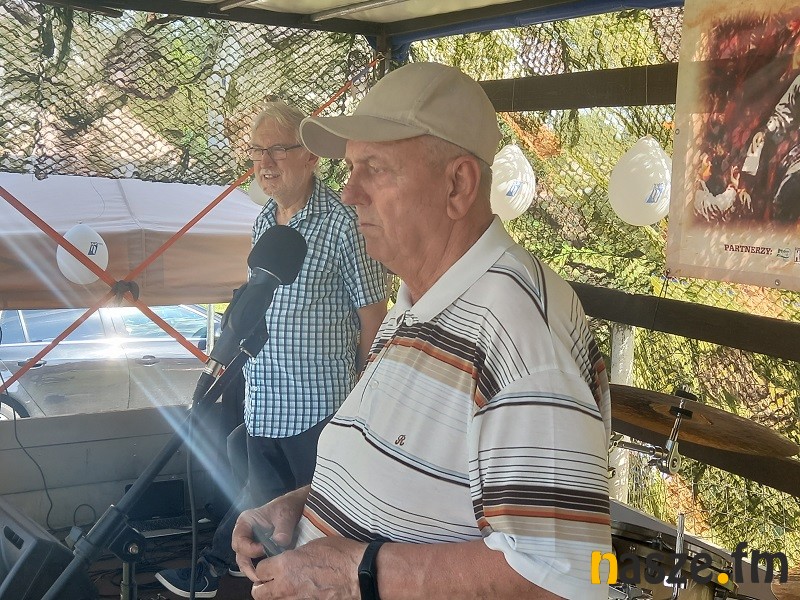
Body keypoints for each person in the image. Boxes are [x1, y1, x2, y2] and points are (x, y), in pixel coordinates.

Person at [231, 62, 612, 600]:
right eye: (351, 168)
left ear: (458, 185)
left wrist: (354, 573)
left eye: (374, 168)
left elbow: (568, 575)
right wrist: (304, 505)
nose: (349, 193)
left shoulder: (522, 335)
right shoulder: (420, 298)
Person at [155, 100, 388, 598]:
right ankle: (231, 573)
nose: (265, 162)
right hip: (263, 403)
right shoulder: (263, 219)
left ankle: (223, 571)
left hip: (320, 408)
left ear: (311, 156)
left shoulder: (343, 222)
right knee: (265, 514)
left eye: (278, 149)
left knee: (318, 526)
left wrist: (364, 398)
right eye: (257, 151)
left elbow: (373, 315)